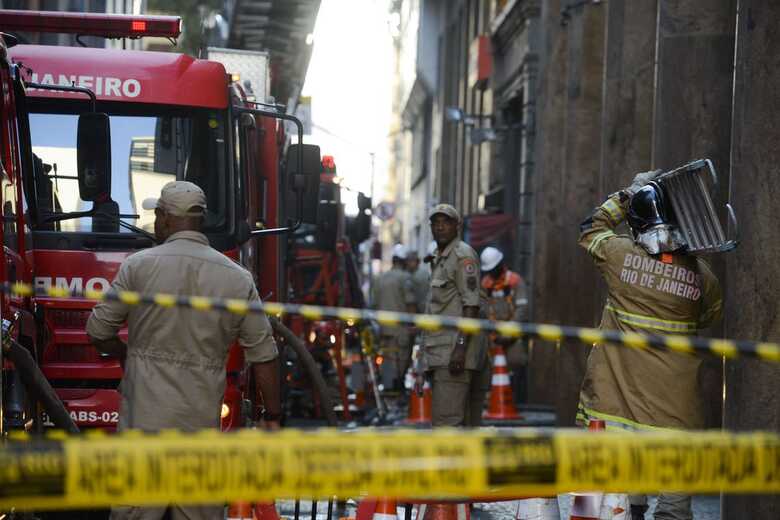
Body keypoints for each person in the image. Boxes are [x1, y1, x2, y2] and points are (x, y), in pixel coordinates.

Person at [86, 181, 280, 520]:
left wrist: (124, 353)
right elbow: (264, 354)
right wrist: (273, 415)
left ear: (163, 217)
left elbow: (98, 331)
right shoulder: (236, 278)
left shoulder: (138, 266)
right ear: (200, 220)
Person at [577, 171, 722, 520]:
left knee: (612, 497)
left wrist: (628, 191)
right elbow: (709, 316)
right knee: (674, 504)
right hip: (675, 407)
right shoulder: (703, 276)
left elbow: (591, 228)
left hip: (616, 402)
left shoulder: (620, 256)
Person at [417, 204, 490, 426]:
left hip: (453, 355)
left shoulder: (462, 256)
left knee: (447, 425)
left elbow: (471, 305)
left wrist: (459, 348)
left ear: (456, 227)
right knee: (463, 425)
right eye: (435, 223)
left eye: (445, 222)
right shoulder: (439, 258)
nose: (439, 227)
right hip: (442, 352)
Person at [479, 246, 528, 400]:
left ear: (501, 263)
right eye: (489, 269)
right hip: (492, 334)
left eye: (494, 268)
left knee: (516, 362)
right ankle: (492, 399)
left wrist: (508, 334)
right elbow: (483, 309)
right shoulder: (485, 283)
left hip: (513, 333)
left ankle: (515, 399)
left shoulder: (515, 281)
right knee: (489, 365)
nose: (491, 272)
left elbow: (522, 309)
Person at [371, 243, 417, 391]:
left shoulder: (380, 279)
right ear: (403, 261)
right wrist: (413, 325)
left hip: (383, 327)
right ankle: (398, 386)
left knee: (387, 356)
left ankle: (389, 386)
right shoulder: (406, 278)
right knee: (401, 357)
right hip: (401, 328)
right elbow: (410, 303)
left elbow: (374, 303)